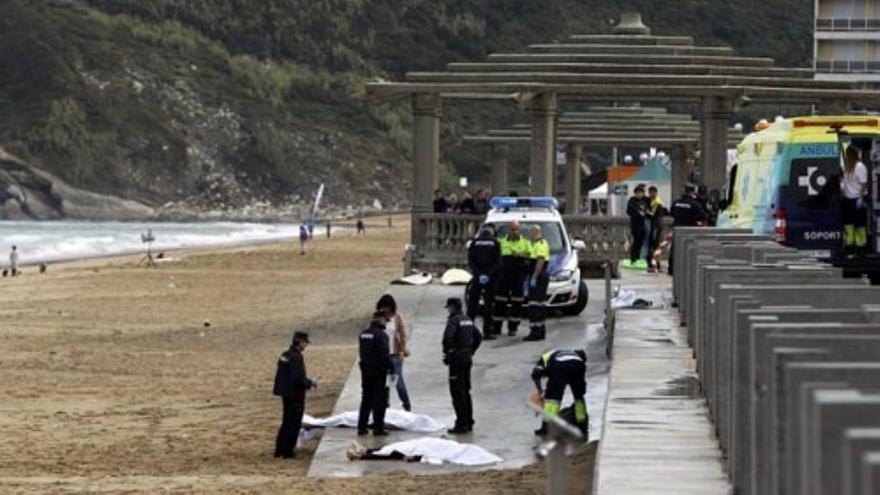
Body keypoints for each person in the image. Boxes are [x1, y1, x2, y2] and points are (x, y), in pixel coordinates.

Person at [273, 331, 316, 459]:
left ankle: (279, 449)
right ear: (300, 342)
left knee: (286, 421)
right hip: (295, 394)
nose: (306, 345)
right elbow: (298, 379)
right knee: (294, 423)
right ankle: (287, 451)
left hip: (285, 393)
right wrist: (310, 383)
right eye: (305, 342)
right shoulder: (296, 357)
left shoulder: (285, 355)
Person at [531, 349, 588, 439]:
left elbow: (536, 374)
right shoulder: (575, 355)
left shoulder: (545, 358)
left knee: (552, 400)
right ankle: (582, 426)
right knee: (579, 398)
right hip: (579, 365)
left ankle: (546, 427)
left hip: (559, 367)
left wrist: (540, 390)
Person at [442, 297, 479, 434]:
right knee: (465, 390)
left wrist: (449, 353)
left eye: (449, 307)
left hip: (456, 360)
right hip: (467, 359)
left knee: (457, 392)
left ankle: (461, 423)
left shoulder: (454, 320)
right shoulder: (468, 319)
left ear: (452, 307)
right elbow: (478, 336)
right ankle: (469, 421)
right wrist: (470, 351)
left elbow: (447, 339)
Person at [357, 310, 393, 436]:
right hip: (379, 373)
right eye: (385, 320)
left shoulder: (363, 334)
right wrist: (391, 367)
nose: (386, 323)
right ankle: (378, 428)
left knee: (366, 399)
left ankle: (362, 426)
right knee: (379, 401)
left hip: (366, 372)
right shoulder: (381, 335)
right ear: (380, 320)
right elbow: (384, 355)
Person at [493, 221, 531, 336]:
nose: (515, 232)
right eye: (512, 229)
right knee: (500, 302)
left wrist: (522, 255)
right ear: (508, 230)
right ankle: (496, 328)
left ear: (519, 230)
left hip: (518, 277)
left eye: (516, 229)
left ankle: (513, 328)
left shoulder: (526, 243)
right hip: (503, 277)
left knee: (517, 303)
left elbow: (531, 256)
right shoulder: (501, 242)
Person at [377, 294, 412, 412]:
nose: (385, 310)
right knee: (384, 382)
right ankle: (385, 404)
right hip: (382, 355)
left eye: (387, 307)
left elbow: (403, 335)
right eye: (383, 307)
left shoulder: (397, 317)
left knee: (397, 380)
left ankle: (406, 404)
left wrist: (401, 351)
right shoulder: (378, 317)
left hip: (394, 355)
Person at [467, 225, 502, 339]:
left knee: (472, 304)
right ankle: (487, 331)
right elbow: (498, 263)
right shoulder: (495, 243)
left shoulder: (475, 242)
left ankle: (468, 331)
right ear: (491, 232)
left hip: (477, 277)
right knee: (488, 305)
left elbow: (471, 261)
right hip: (490, 278)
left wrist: (478, 274)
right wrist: (488, 274)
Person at [668, 184, 709, 275]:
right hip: (689, 230)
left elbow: (671, 213)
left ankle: (671, 269)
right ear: (692, 192)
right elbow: (704, 216)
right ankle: (687, 270)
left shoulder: (676, 202)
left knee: (674, 250)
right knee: (689, 251)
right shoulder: (694, 204)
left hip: (677, 228)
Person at [523, 225, 550, 342]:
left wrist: (534, 276)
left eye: (530, 232)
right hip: (536, 276)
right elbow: (531, 255)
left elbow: (540, 261)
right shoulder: (535, 244)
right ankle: (539, 331)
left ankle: (536, 332)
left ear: (535, 232)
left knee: (536, 305)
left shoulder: (542, 244)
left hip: (539, 277)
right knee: (538, 305)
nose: (529, 234)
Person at [841, 145, 869, 256]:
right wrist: (861, 197)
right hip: (855, 200)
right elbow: (864, 184)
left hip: (850, 200)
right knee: (857, 226)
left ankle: (851, 249)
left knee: (851, 226)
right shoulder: (858, 166)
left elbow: (845, 184)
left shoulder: (849, 167)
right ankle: (858, 249)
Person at [626, 185, 649, 267]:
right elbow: (629, 211)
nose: (640, 194)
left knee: (640, 242)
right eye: (638, 193)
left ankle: (638, 258)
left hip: (642, 225)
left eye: (641, 193)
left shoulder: (644, 201)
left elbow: (647, 210)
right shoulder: (632, 201)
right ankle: (633, 259)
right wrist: (638, 212)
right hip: (635, 225)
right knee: (635, 242)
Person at [647, 186, 667, 273]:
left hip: (655, 227)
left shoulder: (657, 203)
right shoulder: (650, 201)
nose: (651, 194)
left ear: (656, 193)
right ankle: (653, 265)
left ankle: (655, 265)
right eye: (650, 192)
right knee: (652, 247)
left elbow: (655, 216)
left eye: (653, 192)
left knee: (655, 247)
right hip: (652, 226)